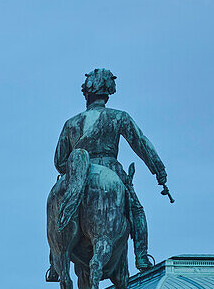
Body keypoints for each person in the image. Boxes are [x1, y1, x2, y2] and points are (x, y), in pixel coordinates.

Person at [47, 68, 169, 276]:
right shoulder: (119, 117)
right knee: (136, 209)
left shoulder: (72, 123)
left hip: (78, 170)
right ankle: (141, 255)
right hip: (110, 168)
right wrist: (159, 172)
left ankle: (54, 263)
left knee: (58, 212)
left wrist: (75, 170)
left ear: (86, 93)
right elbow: (141, 145)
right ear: (108, 93)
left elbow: (59, 161)